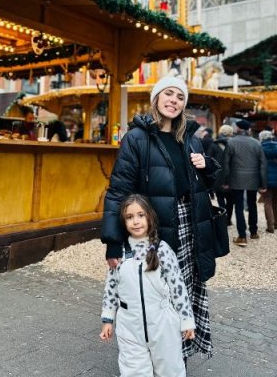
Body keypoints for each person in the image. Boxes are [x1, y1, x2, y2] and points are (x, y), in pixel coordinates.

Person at [102, 75, 219, 364]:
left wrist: (208, 167)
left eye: (180, 97)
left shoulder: (190, 138)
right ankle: (154, 354)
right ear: (156, 98)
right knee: (157, 289)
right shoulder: (137, 138)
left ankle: (181, 352)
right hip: (155, 225)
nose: (174, 101)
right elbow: (119, 189)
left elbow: (207, 183)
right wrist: (113, 242)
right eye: (168, 94)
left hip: (190, 222)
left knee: (184, 287)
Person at [101, 195, 195, 377]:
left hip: (163, 323)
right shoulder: (119, 251)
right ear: (123, 221)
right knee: (133, 370)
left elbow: (178, 288)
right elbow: (111, 288)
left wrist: (186, 321)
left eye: (140, 215)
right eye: (129, 217)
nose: (135, 221)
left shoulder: (163, 249)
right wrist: (107, 320)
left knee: (170, 369)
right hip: (129, 325)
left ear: (150, 217)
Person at [223, 119, 267, 246]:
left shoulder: (231, 142)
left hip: (236, 177)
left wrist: (225, 180)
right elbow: (263, 164)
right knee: (252, 204)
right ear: (248, 130)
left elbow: (226, 164)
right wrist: (263, 184)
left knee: (239, 206)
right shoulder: (257, 143)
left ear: (237, 129)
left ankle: (242, 236)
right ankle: (253, 231)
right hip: (253, 177)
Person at [260, 130, 277, 233]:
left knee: (267, 201)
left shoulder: (260, 148)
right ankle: (276, 223)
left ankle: (270, 226)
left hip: (265, 177)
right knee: (276, 200)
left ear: (261, 138)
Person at [210, 125, 235, 230]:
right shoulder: (234, 144)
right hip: (232, 175)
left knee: (220, 198)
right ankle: (228, 219)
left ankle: (222, 218)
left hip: (218, 176)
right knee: (231, 200)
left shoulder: (214, 145)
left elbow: (209, 159)